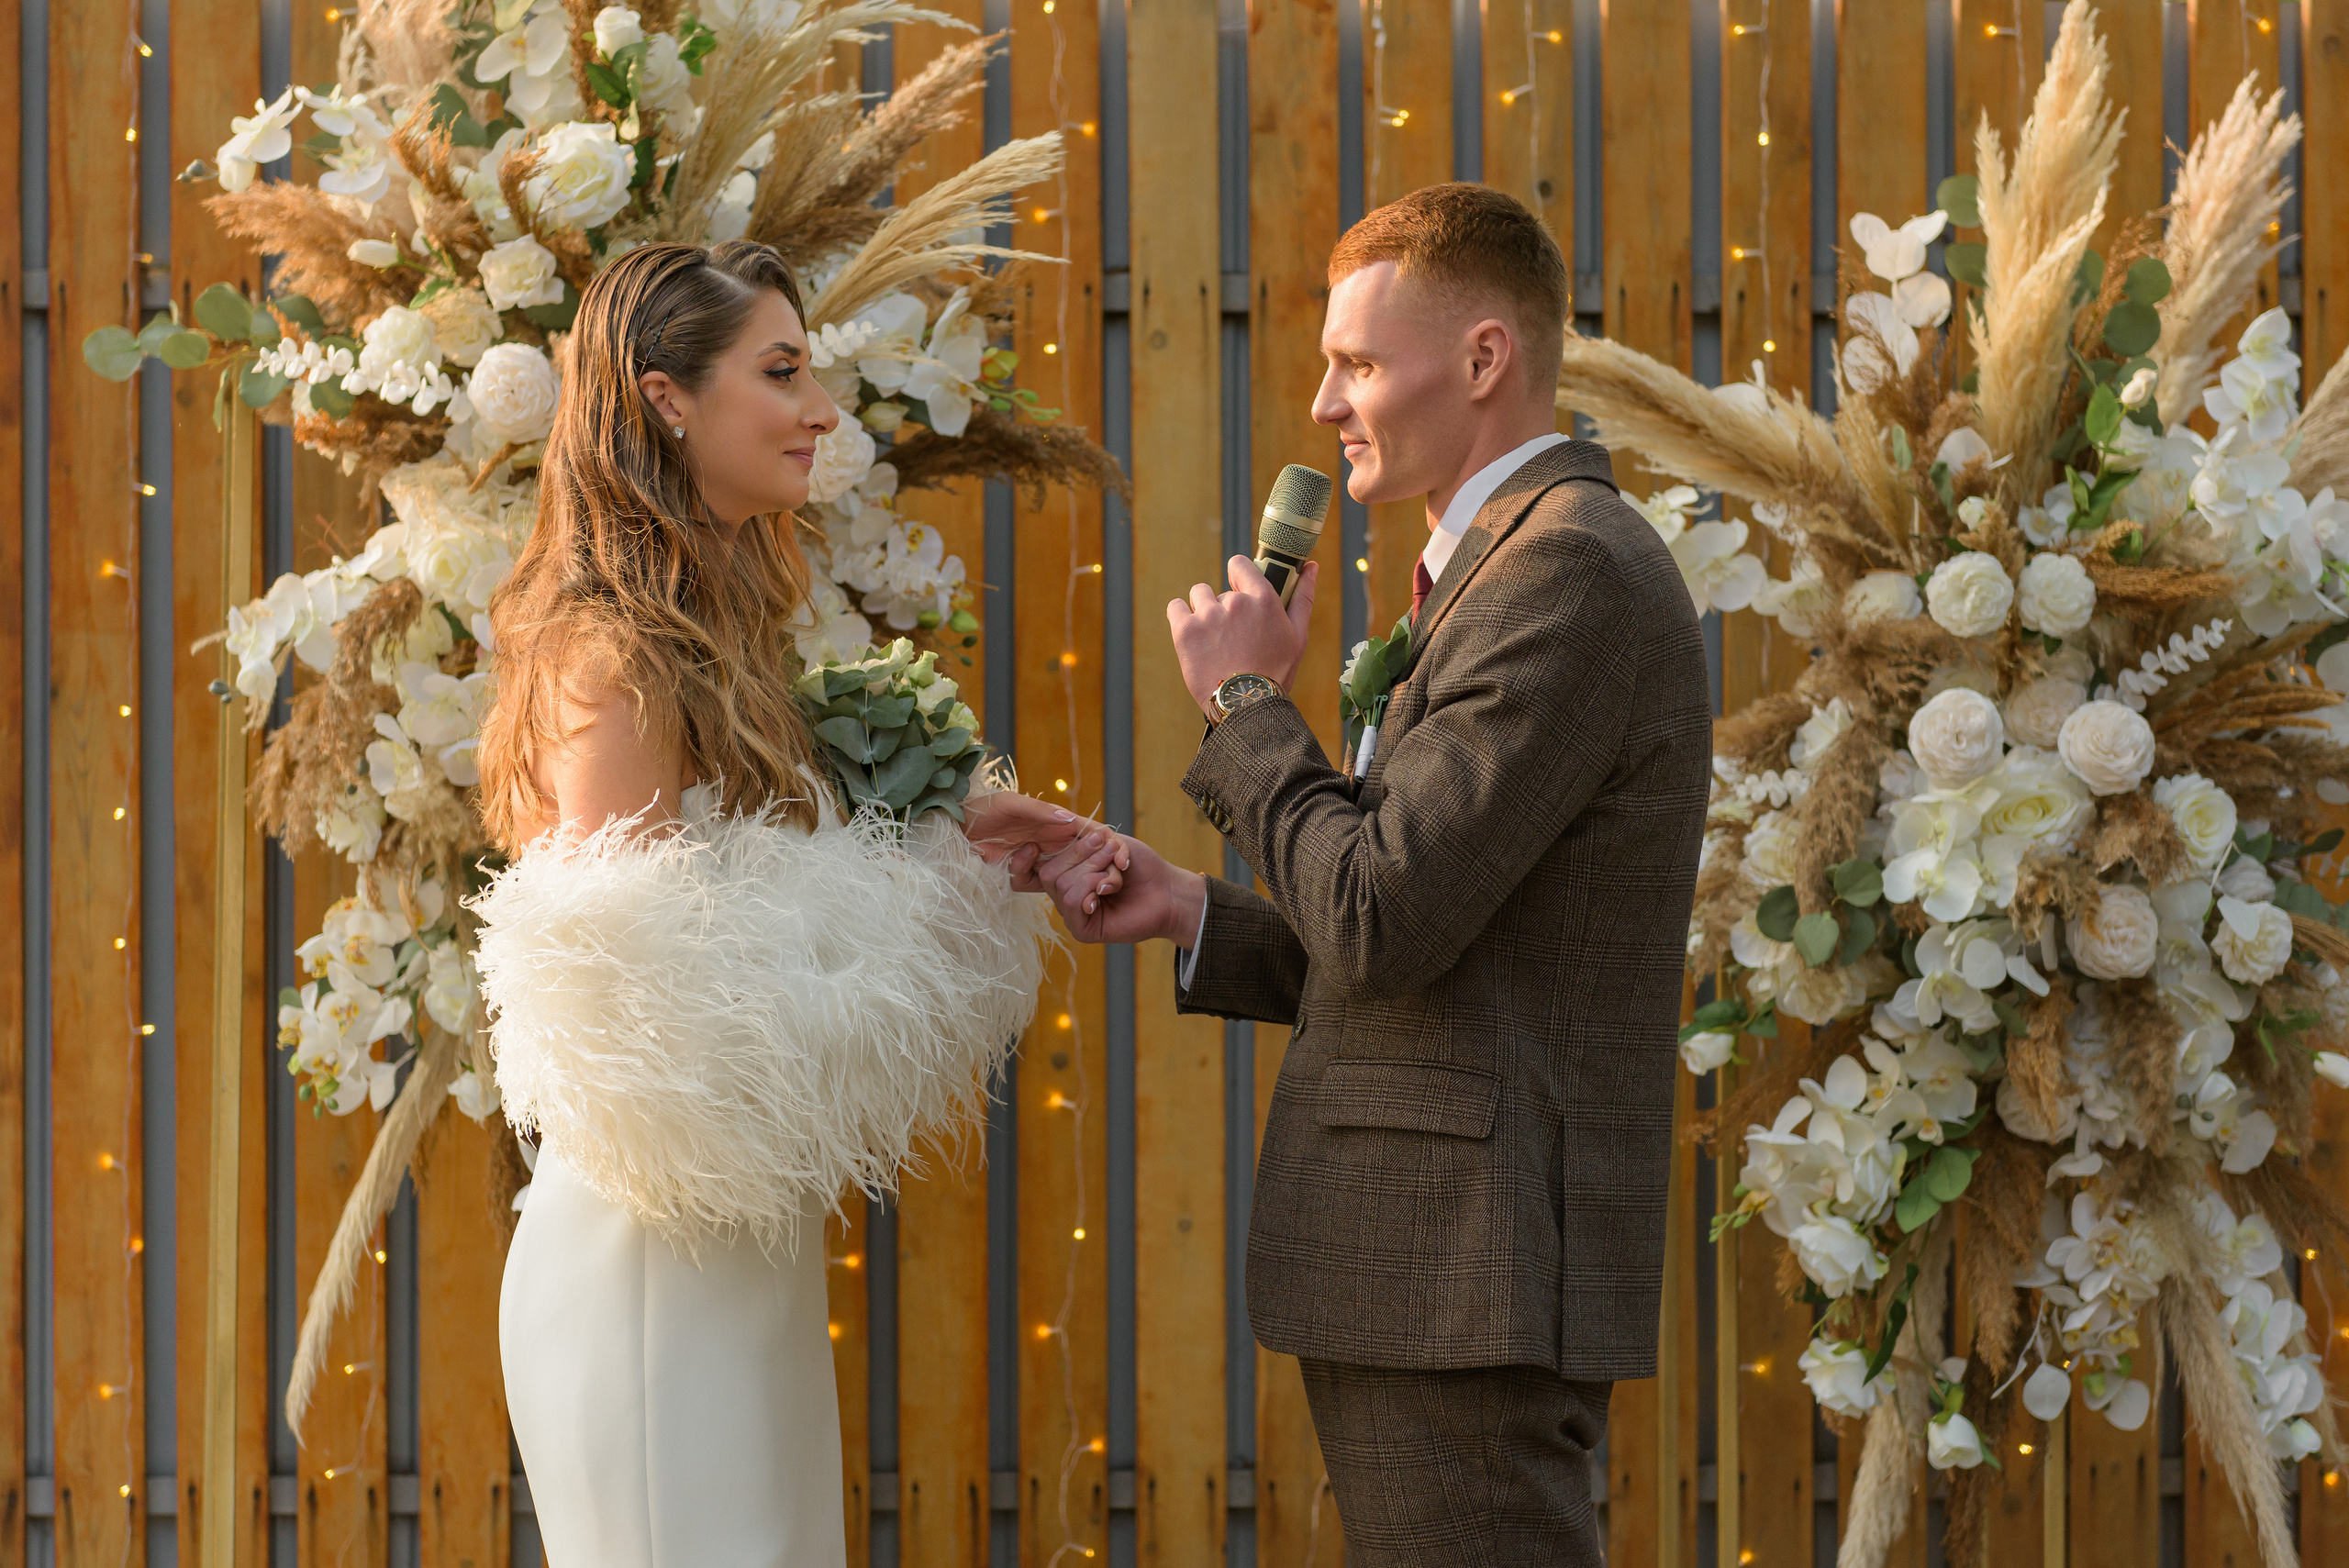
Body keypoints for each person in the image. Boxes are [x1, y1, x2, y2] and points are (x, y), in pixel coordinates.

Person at [1015, 183, 1710, 1566]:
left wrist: (1250, 708)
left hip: (1469, 1267)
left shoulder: (1563, 576)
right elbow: (1452, 933)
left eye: (1359, 362)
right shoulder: (1493, 572)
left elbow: (1382, 916)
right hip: (1441, 1263)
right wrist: (1196, 908)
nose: (1325, 400)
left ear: (1484, 359)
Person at [470, 239, 1113, 1567]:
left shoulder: (719, 641)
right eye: (781, 371)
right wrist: (928, 901)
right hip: (647, 1261)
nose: (821, 408)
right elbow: (650, 1012)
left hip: (730, 1250)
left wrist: (953, 831)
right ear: (665, 400)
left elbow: (753, 882)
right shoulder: (614, 653)